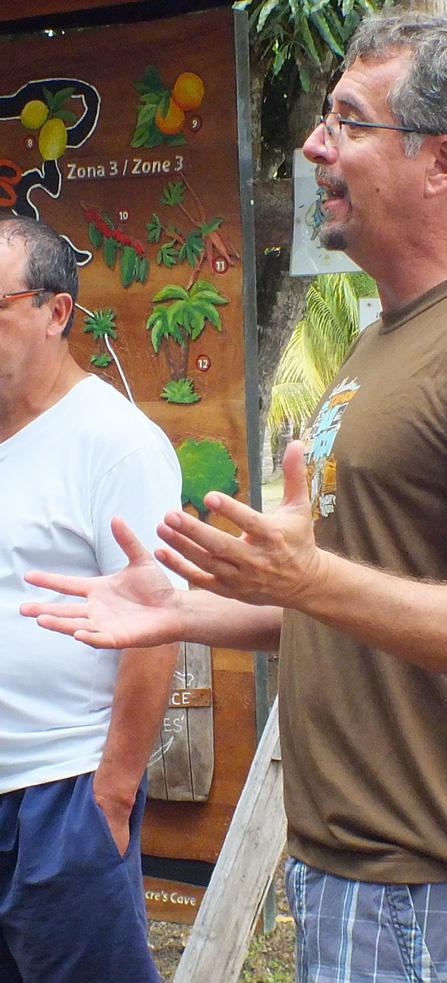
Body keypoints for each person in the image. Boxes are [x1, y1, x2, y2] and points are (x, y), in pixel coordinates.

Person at [22, 10, 447, 983]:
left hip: (437, 882)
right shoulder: (387, 334)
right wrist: (186, 609)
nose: (313, 145)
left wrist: (309, 574)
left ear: (442, 161)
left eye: (348, 119)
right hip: (357, 872)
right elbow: (350, 601)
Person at [0, 216, 183, 983]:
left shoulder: (117, 442)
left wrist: (111, 795)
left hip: (61, 788)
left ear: (56, 311)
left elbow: (156, 623)